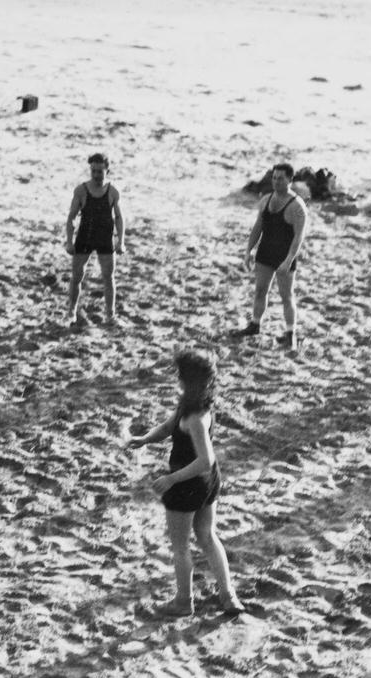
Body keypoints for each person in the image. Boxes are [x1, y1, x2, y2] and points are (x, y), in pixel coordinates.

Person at [129, 350, 244, 617]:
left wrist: (171, 479)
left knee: (180, 548)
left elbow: (205, 459)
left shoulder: (194, 418)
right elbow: (168, 427)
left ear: (187, 381)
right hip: (208, 483)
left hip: (188, 483)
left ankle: (183, 601)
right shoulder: (195, 404)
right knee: (207, 536)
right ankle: (228, 595)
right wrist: (146, 439)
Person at [235, 164, 308, 349]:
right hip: (265, 252)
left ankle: (290, 334)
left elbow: (299, 237)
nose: (276, 181)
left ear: (290, 180)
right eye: (274, 178)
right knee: (260, 291)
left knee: (286, 295)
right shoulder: (266, 200)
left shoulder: (297, 206)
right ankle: (255, 324)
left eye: (281, 178)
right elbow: (258, 227)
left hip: (284, 255)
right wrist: (248, 251)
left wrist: (289, 260)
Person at [63, 153, 126, 327]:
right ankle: (71, 313)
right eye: (94, 171)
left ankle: (110, 315)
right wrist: (69, 241)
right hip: (86, 236)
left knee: (108, 276)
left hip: (104, 237)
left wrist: (121, 241)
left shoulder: (113, 191)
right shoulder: (81, 191)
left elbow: (119, 217)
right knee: (77, 276)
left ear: (107, 170)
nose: (97, 175)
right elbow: (71, 218)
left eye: (100, 171)